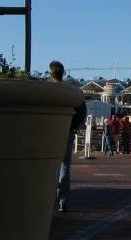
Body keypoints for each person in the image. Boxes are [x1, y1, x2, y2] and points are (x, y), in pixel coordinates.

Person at [50, 60, 87, 213]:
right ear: (63, 73)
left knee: (49, 166)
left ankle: (48, 199)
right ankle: (63, 200)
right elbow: (82, 112)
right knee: (64, 167)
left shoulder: (46, 91)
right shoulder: (71, 92)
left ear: (51, 73)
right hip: (68, 131)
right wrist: (74, 127)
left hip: (49, 132)